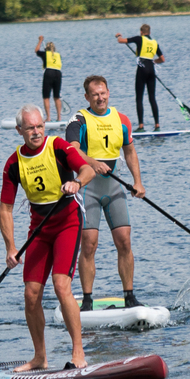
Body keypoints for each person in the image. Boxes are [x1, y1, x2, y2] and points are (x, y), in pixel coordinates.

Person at [0, 104, 96, 372]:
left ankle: (78, 352)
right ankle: (40, 357)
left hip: (67, 222)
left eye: (40, 126)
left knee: (60, 285)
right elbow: (5, 209)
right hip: (39, 229)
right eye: (30, 127)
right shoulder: (13, 163)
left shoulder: (59, 147)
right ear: (19, 130)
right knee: (31, 294)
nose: (36, 132)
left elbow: (86, 169)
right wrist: (11, 247)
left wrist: (77, 182)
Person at [65, 75, 147, 311]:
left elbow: (129, 151)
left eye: (103, 93)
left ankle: (129, 296)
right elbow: (71, 149)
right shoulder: (79, 120)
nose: (100, 98)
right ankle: (87, 301)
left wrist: (138, 182)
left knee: (124, 241)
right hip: (87, 188)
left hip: (113, 187)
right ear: (87, 97)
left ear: (108, 92)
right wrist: (92, 162)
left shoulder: (121, 119)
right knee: (89, 244)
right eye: (94, 95)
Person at [115, 24, 165, 132]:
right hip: (151, 69)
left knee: (139, 98)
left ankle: (141, 126)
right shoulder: (154, 42)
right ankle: (157, 125)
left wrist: (118, 36)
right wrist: (153, 61)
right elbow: (162, 59)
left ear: (141, 32)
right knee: (152, 98)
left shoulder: (139, 39)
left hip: (142, 69)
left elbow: (121, 41)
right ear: (149, 33)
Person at [35, 36, 63, 122]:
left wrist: (40, 41)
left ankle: (49, 118)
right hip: (58, 74)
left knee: (46, 97)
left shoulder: (45, 54)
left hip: (49, 73)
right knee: (56, 97)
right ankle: (59, 117)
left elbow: (36, 51)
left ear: (46, 49)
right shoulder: (58, 55)